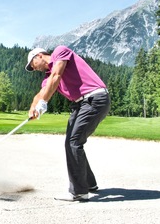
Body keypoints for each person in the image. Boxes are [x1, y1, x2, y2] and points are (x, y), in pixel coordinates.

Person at [26, 46, 110, 202]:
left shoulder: (60, 51)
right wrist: (33, 107)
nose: (33, 68)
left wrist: (44, 102)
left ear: (39, 56)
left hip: (94, 99)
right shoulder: (47, 77)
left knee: (74, 142)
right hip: (81, 104)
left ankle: (79, 192)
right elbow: (42, 91)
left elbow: (57, 75)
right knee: (71, 143)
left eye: (32, 64)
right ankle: (89, 184)